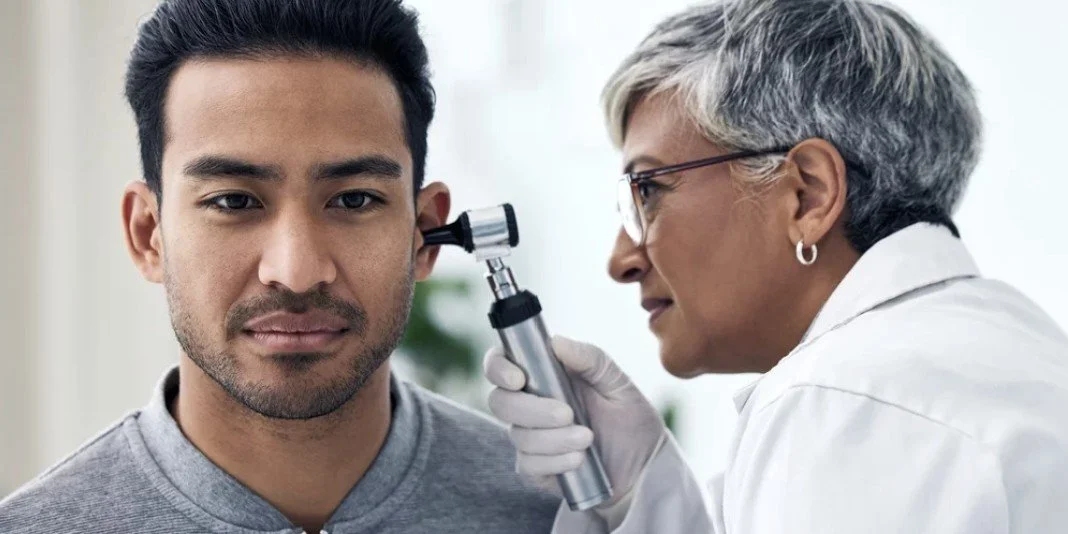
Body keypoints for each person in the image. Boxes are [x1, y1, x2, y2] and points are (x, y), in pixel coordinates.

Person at [483, 0, 1068, 532]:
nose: (622, 260)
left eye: (649, 191)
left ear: (808, 195)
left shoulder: (841, 400)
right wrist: (637, 492)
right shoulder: (1009, 347)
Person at [0, 1, 559, 533]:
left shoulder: (559, 516)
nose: (296, 272)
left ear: (424, 235)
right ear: (149, 235)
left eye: (354, 200)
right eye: (233, 201)